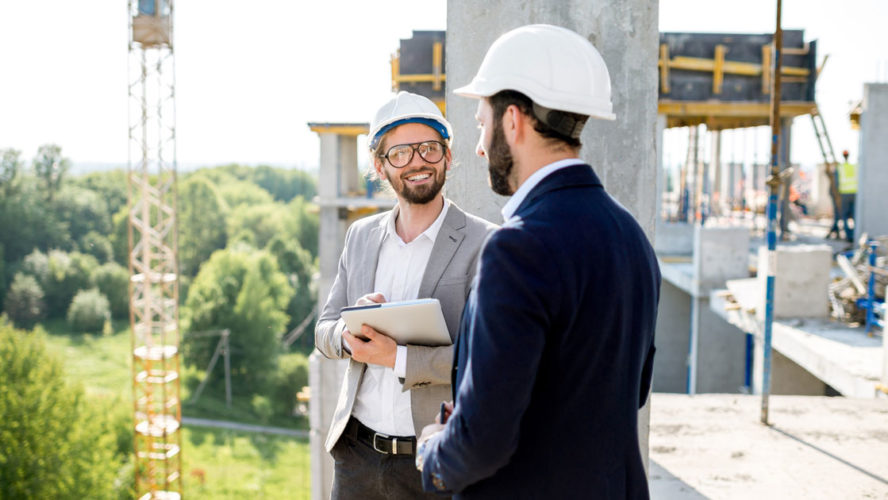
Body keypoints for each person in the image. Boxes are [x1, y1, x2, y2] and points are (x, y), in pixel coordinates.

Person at [415, 24, 661, 498]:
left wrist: (433, 453)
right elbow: (630, 393)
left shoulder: (517, 250)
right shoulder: (631, 237)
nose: (480, 145)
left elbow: (481, 443)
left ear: (513, 121)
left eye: (481, 123)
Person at [315, 91, 497, 500]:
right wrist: (348, 336)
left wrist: (394, 357)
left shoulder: (487, 244)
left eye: (429, 148)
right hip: (357, 457)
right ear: (380, 166)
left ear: (447, 157)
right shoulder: (361, 236)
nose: (417, 162)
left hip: (434, 458)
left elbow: (488, 363)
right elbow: (323, 331)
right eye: (400, 153)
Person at [838, 149, 857, 243]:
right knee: (854, 215)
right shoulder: (854, 166)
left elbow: (837, 181)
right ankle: (854, 234)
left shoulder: (841, 167)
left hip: (845, 193)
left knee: (845, 215)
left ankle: (848, 235)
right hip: (854, 192)